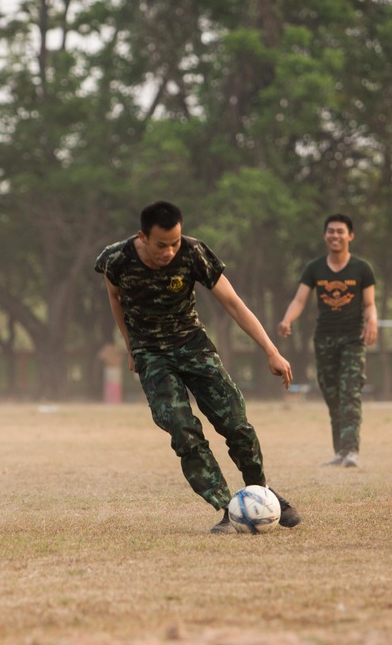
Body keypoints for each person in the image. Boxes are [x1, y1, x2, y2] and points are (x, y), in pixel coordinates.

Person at [94, 200, 302, 534]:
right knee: (183, 431)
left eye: (175, 243)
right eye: (162, 245)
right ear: (142, 237)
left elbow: (233, 303)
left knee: (235, 422)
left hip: (193, 345)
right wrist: (131, 345)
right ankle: (226, 507)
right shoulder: (115, 259)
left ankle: (261, 492)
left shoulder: (193, 253)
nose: (170, 252)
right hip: (151, 354)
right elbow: (115, 298)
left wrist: (271, 351)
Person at [277, 213, 377, 468]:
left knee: (350, 391)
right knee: (332, 394)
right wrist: (288, 320)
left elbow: (369, 304)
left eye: (340, 231)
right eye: (331, 231)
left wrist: (372, 322)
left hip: (353, 339)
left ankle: (352, 450)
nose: (335, 235)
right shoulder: (315, 268)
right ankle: (340, 452)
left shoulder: (361, 269)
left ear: (350, 236)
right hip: (324, 340)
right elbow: (300, 300)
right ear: (325, 236)